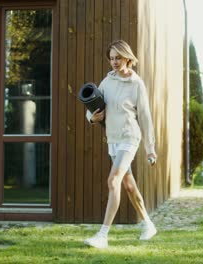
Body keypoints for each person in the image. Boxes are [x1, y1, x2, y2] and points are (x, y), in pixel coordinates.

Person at [83, 40, 158, 249]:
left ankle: (102, 235)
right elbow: (93, 107)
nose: (114, 62)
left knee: (113, 181)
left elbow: (145, 117)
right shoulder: (106, 82)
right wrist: (92, 118)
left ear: (127, 57)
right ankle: (148, 225)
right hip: (113, 139)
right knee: (128, 185)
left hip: (129, 137)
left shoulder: (136, 84)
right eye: (112, 58)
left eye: (118, 57)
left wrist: (150, 149)